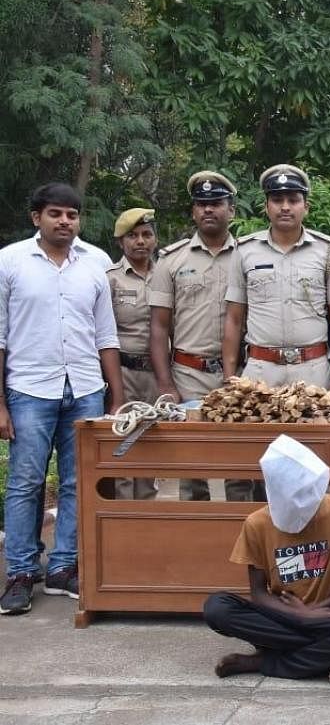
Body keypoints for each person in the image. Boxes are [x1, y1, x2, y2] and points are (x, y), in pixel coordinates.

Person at [0, 183, 125, 615]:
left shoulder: (96, 263)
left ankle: (63, 567)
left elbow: (106, 333)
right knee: (25, 483)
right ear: (37, 217)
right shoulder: (10, 261)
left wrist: (116, 396)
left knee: (77, 483)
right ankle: (19, 572)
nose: (65, 222)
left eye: (72, 215)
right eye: (56, 214)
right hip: (29, 390)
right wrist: (0, 404)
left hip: (86, 390)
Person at [203, 435, 330, 682]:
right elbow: (259, 593)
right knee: (217, 607)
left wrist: (314, 612)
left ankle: (263, 662)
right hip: (282, 616)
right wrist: (299, 616)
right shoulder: (256, 523)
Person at [150, 171, 251, 501]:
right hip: (189, 374)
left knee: (242, 467)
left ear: (231, 211)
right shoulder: (171, 260)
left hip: (241, 376)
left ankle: (244, 539)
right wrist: (166, 384)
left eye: (217, 203)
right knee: (192, 466)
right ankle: (197, 544)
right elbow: (159, 326)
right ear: (193, 212)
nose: (209, 210)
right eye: (202, 204)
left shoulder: (250, 256)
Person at [223, 164, 330, 397]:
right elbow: (233, 318)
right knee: (260, 435)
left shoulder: (327, 250)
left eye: (293, 200)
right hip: (260, 372)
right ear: (266, 207)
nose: (285, 207)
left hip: (313, 371)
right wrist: (230, 379)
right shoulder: (244, 250)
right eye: (277, 200)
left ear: (306, 207)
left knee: (313, 435)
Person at [106, 207, 160, 500]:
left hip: (158, 376)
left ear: (154, 239)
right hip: (123, 374)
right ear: (121, 242)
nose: (140, 241)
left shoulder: (166, 275)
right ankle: (123, 516)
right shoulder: (111, 279)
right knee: (123, 446)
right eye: (133, 236)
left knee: (151, 445)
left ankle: (147, 516)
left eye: (146, 234)